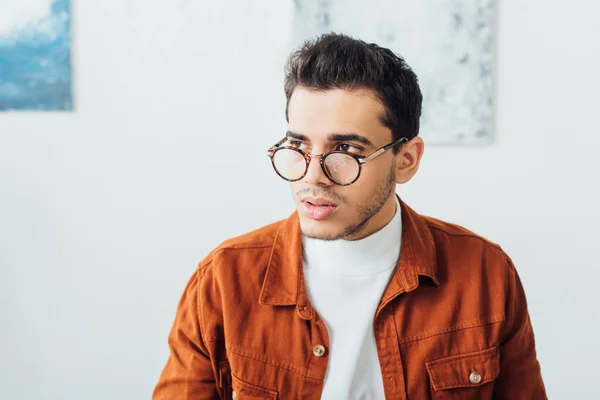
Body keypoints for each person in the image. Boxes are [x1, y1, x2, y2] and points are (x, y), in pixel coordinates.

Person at [153, 33, 546, 399]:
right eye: (298, 146)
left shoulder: (485, 273)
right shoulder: (223, 280)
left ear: (406, 160)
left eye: (346, 150)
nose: (312, 176)